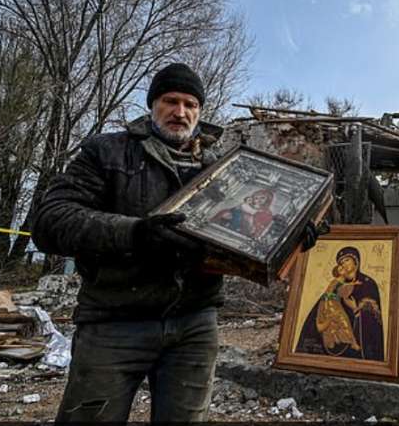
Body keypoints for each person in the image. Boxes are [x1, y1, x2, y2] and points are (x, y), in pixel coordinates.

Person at [32, 63, 318, 422]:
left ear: (199, 111)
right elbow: (50, 222)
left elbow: (246, 240)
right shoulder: (107, 152)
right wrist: (135, 232)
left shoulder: (228, 171)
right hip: (114, 321)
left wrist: (289, 236)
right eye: (170, 101)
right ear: (153, 104)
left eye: (190, 104)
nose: (180, 112)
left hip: (195, 325)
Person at [296, 246, 384, 360]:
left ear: (356, 261)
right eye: (341, 263)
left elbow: (374, 317)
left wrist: (356, 309)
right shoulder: (336, 285)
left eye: (347, 260)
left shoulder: (368, 283)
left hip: (359, 341)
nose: (344, 264)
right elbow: (323, 305)